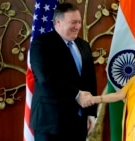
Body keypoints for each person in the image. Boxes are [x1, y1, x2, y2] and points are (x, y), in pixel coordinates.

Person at [29, 2, 97, 141]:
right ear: (58, 22)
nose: (77, 26)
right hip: (50, 125)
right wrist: (77, 95)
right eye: (73, 22)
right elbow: (45, 78)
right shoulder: (41, 44)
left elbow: (90, 80)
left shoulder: (84, 46)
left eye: (79, 22)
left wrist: (91, 113)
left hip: (78, 124)